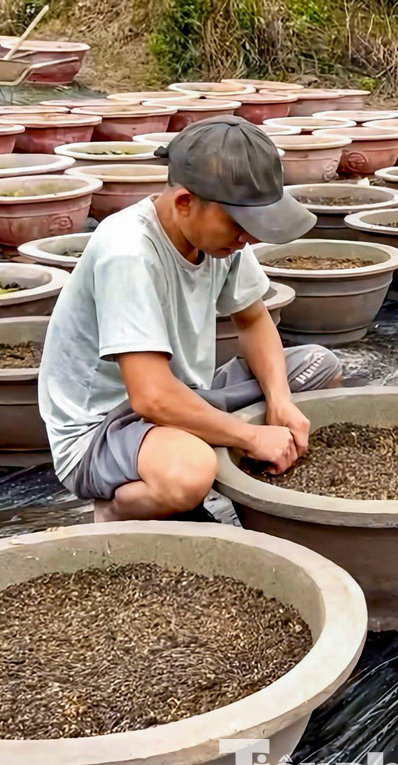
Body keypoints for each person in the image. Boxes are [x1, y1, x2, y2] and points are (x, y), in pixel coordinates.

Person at [39, 116, 342, 522]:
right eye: (240, 225)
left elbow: (253, 320)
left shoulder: (223, 239)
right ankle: (117, 511)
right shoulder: (128, 252)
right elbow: (151, 397)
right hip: (106, 427)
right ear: (185, 203)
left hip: (186, 393)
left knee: (319, 368)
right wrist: (251, 434)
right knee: (190, 473)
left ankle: (224, 454)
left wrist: (280, 401)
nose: (247, 238)